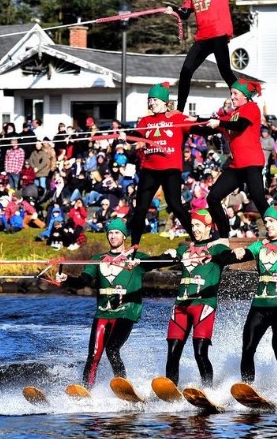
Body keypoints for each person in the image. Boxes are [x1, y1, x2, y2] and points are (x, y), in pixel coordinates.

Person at [56, 219, 162, 389]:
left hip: (127, 311)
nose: (112, 236)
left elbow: (159, 262)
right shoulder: (98, 259)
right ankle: (86, 392)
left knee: (112, 349)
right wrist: (67, 279)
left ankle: (124, 388)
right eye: (110, 233)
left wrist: (174, 256)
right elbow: (83, 280)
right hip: (103, 313)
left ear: (124, 236)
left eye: (116, 233)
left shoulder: (136, 258)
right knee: (93, 355)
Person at [232, 205, 277, 392]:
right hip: (259, 305)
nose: (267, 225)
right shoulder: (260, 245)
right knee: (247, 349)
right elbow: (244, 254)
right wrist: (229, 255)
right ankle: (248, 390)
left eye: (271, 221)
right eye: (265, 222)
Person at [164, 209, 240, 387]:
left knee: (200, 352)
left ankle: (208, 389)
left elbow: (227, 257)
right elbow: (163, 260)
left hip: (203, 306)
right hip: (181, 305)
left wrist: (224, 256)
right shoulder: (184, 249)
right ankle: (170, 389)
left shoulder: (217, 248)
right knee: (173, 352)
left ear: (208, 227)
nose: (195, 229)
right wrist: (166, 256)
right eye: (192, 226)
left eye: (198, 225)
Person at [123, 83, 198, 247]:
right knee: (140, 208)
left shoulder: (176, 118)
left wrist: (207, 123)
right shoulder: (146, 120)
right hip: (150, 169)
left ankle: (197, 239)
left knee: (175, 204)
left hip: (171, 168)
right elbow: (136, 135)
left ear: (165, 102)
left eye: (155, 100)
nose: (151, 103)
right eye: (150, 100)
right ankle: (134, 246)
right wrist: (127, 136)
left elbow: (197, 128)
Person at [201, 80, 269, 244]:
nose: (232, 97)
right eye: (231, 94)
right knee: (213, 197)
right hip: (236, 164)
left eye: (235, 94)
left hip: (252, 161)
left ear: (245, 96)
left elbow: (240, 125)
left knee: (258, 197)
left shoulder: (251, 108)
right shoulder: (232, 113)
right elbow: (211, 125)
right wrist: (193, 120)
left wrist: (220, 122)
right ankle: (224, 237)